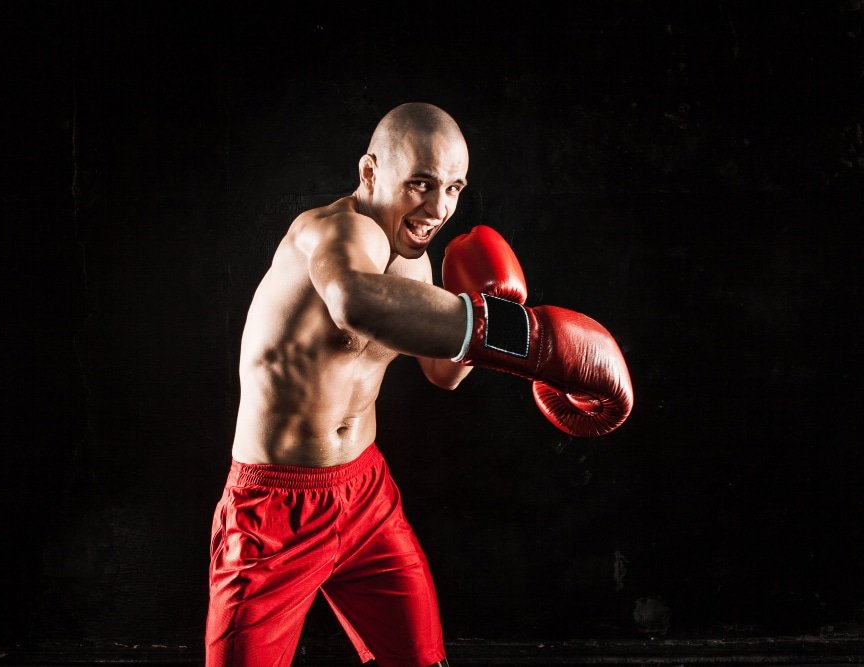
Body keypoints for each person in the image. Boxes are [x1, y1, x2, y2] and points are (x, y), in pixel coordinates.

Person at [205, 102, 633, 667]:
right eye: (421, 184)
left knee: (421, 661)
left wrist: (486, 302)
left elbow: (443, 373)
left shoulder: (414, 263)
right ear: (370, 173)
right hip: (274, 510)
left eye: (453, 188)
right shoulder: (332, 231)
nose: (438, 209)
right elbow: (354, 300)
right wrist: (521, 335)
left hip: (366, 498)